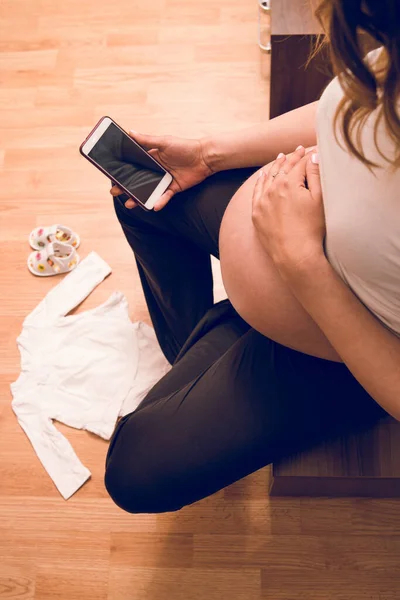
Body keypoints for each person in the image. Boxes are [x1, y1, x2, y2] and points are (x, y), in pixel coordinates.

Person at [104, 0, 400, 514]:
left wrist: (299, 261)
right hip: (291, 236)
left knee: (133, 471)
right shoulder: (387, 58)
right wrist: (207, 153)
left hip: (349, 341)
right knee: (142, 194)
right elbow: (345, 103)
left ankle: (232, 332)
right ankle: (206, 342)